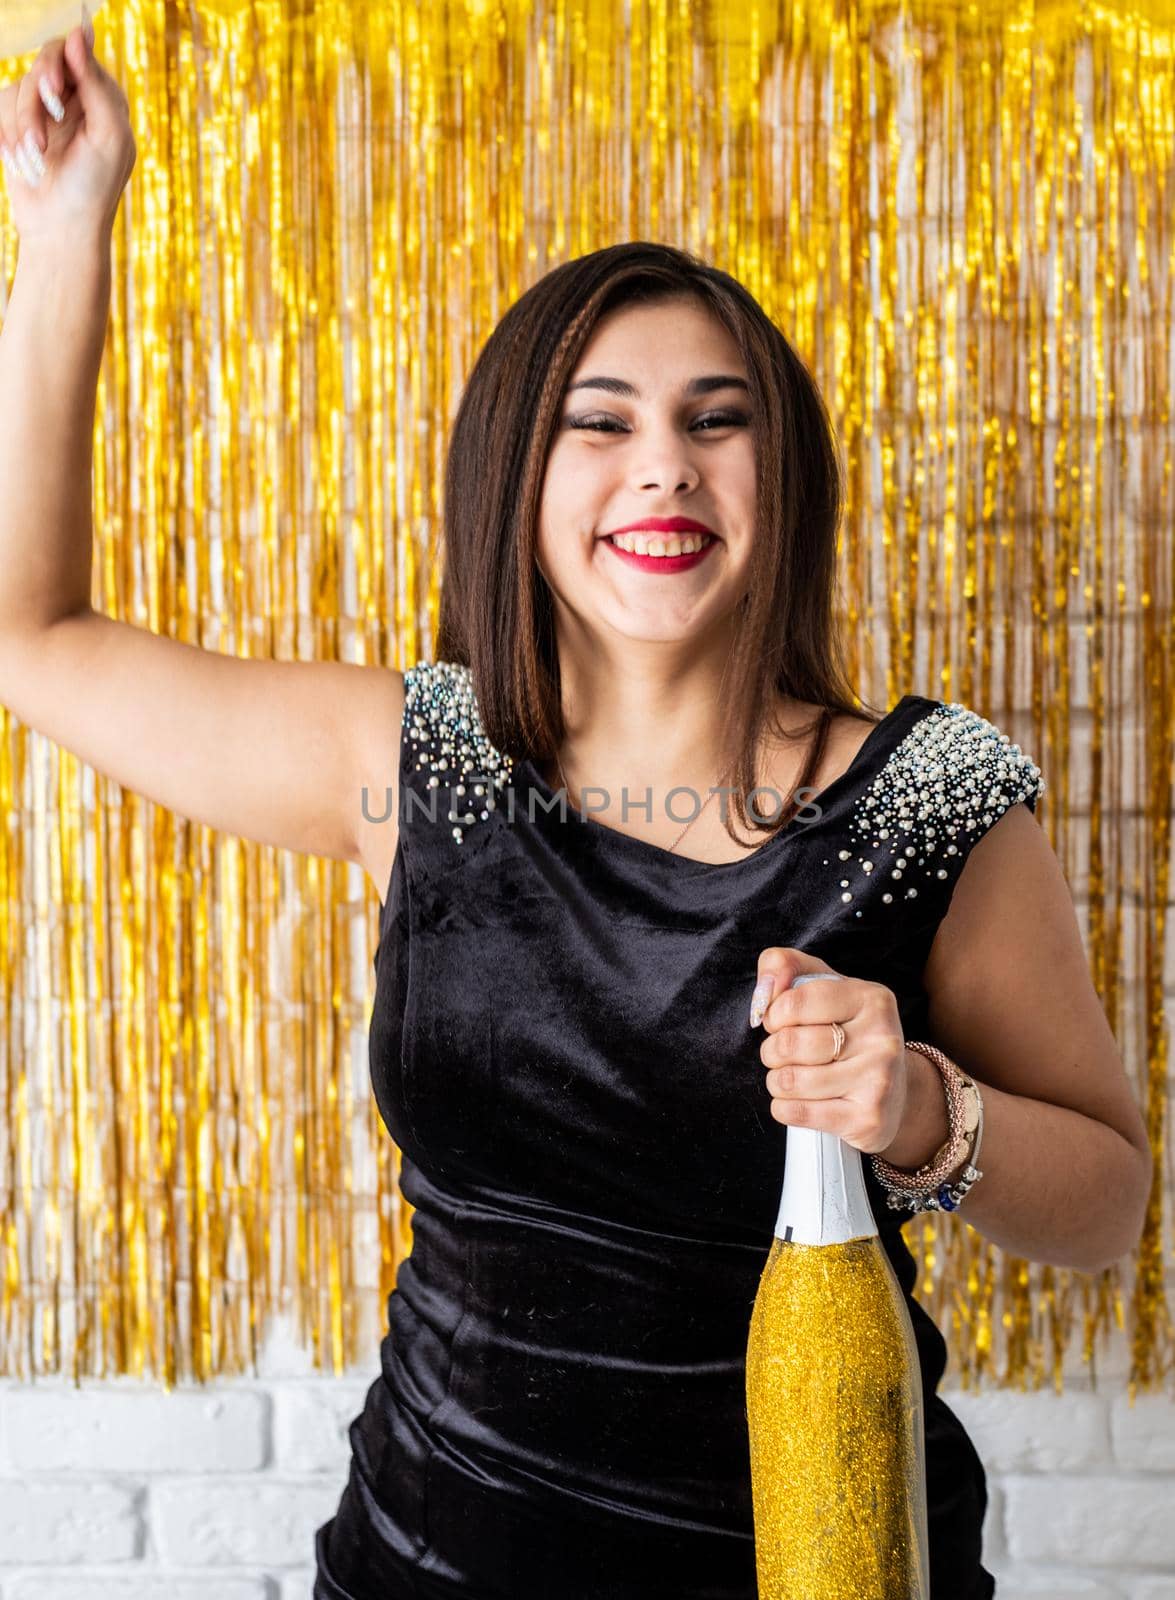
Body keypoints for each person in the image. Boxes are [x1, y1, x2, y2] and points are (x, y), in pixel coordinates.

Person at [0, 23, 1153, 1600]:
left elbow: (1108, 1205)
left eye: (716, 419)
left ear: (783, 472)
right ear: (516, 479)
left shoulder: (933, 799)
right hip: (423, 1565)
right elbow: (30, 639)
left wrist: (921, 1112)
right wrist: (67, 227)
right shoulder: (419, 765)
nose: (661, 469)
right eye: (599, 422)